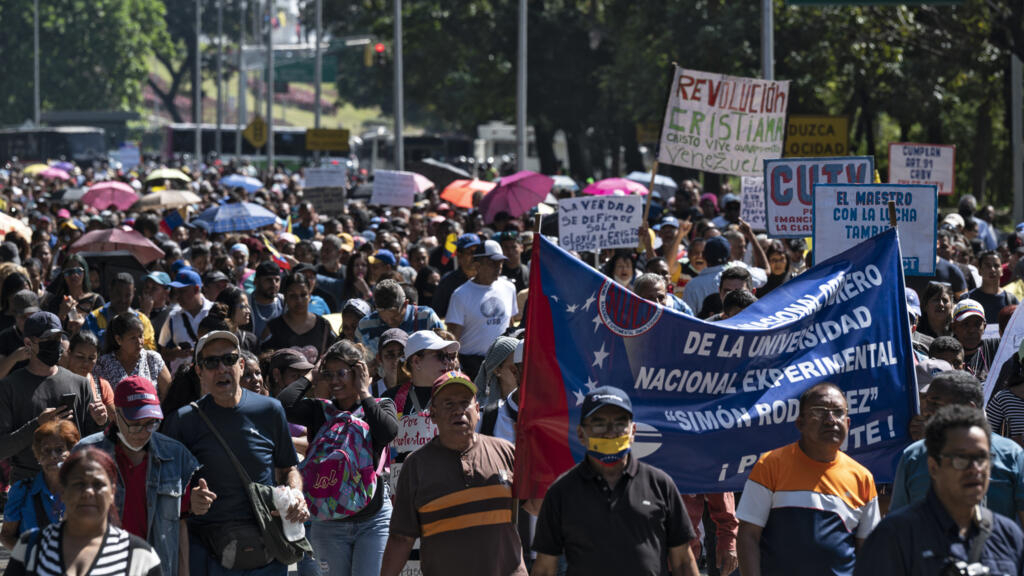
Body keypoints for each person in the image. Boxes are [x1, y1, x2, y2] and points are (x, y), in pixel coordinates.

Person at [162, 330, 310, 576]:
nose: (221, 368)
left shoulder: (270, 410)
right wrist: (189, 502)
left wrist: (295, 494)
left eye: (229, 360)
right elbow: (165, 488)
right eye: (211, 362)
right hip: (209, 553)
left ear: (241, 365)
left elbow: (288, 469)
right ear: (199, 371)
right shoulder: (182, 421)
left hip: (268, 547)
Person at [532, 386, 700, 576]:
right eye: (599, 423)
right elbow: (545, 568)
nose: (610, 432)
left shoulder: (660, 485)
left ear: (633, 431)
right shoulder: (561, 492)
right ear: (580, 433)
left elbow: (683, 562)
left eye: (620, 423)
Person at [380, 370, 526, 576]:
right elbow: (401, 538)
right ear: (433, 413)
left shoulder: (505, 451)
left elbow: (537, 506)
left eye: (465, 403)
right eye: (448, 404)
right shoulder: (416, 465)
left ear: (477, 409)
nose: (459, 410)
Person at [854, 406, 1024, 575]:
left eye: (982, 457)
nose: (975, 469)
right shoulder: (895, 536)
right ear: (933, 467)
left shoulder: (1008, 536)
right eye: (961, 458)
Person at [277, 340, 398, 576]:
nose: (334, 381)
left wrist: (364, 392)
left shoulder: (380, 406)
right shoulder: (319, 411)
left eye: (341, 373)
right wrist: (312, 375)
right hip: (328, 523)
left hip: (372, 521)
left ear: (359, 372)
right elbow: (283, 404)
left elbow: (388, 433)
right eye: (328, 374)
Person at [736, 382, 880, 576]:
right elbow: (748, 536)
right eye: (819, 411)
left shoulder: (862, 478)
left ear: (848, 423)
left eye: (838, 412)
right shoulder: (770, 465)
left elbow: (869, 553)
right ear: (800, 423)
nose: (830, 420)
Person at [75, 375, 201, 575]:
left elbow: (180, 525)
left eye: (151, 423)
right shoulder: (84, 454)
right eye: (135, 424)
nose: (143, 432)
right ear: (116, 415)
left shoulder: (175, 456)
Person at [4, 447, 163, 576]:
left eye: (98, 484)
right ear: (63, 491)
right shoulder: (31, 547)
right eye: (78, 484)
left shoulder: (140, 556)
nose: (88, 492)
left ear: (113, 492)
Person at [891, 370, 1024, 523]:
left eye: (935, 403)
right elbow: (899, 522)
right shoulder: (913, 456)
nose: (926, 411)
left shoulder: (1012, 455)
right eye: (926, 402)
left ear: (969, 408)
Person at [0, 311, 106, 484]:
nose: (55, 345)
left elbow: (91, 441)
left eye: (58, 339)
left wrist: (100, 422)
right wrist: (37, 424)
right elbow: (2, 448)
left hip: (70, 483)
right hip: (27, 484)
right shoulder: (9, 387)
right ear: (28, 343)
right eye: (47, 340)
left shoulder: (80, 384)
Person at [382, 330, 459, 489]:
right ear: (416, 361)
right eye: (439, 356)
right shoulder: (391, 398)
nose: (447, 362)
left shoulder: (457, 394)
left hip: (446, 485)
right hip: (403, 491)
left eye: (448, 356)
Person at [0, 420, 79, 549]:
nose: (53, 456)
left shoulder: (85, 490)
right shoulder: (22, 491)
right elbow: (6, 536)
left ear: (71, 452)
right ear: (38, 455)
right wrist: (30, 557)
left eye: (59, 450)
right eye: (47, 451)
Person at [446, 240, 518, 377]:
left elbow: (510, 324)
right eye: (493, 263)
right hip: (472, 365)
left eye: (500, 263)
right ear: (477, 265)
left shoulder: (509, 288)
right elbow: (453, 337)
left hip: (502, 362)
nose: (498, 267)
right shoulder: (460, 295)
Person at [355, 279, 443, 357]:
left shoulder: (427, 318)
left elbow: (444, 350)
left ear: (406, 304)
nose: (390, 322)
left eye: (395, 317)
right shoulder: (365, 326)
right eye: (384, 319)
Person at [93, 313, 172, 398]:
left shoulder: (153, 359)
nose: (139, 342)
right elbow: (99, 396)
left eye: (141, 336)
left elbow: (168, 395)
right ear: (118, 339)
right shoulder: (103, 364)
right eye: (133, 338)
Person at [262, 271, 336, 356]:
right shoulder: (273, 328)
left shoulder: (324, 326)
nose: (299, 300)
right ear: (285, 297)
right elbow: (264, 360)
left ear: (310, 296)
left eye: (303, 294)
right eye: (293, 295)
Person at [159, 269, 214, 375]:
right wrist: (175, 353)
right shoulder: (173, 317)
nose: (178, 296)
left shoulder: (214, 312)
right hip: (182, 383)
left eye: (183, 291)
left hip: (211, 379)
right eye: (176, 291)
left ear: (196, 289)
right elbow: (163, 353)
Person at [85, 272, 157, 351]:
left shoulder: (143, 320)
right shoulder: (94, 318)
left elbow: (150, 351)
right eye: (118, 294)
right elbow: (86, 347)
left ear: (134, 293)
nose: (123, 300)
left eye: (128, 295)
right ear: (110, 290)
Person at [64, 331, 114, 423]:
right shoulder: (59, 381)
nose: (86, 363)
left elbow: (115, 422)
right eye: (80, 357)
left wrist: (103, 419)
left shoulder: (102, 386)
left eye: (91, 358)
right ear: (69, 353)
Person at [431, 233, 480, 317]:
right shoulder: (447, 282)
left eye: (477, 252)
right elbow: (437, 314)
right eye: (470, 252)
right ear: (459, 255)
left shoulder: (486, 278)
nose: (474, 256)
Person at [951, 299, 1000, 381]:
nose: (972, 330)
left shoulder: (996, 347)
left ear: (984, 327)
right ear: (954, 327)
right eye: (965, 324)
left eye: (977, 324)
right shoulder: (945, 352)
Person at [968, 251, 1019, 323]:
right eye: (988, 266)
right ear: (979, 270)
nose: (992, 269)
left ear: (1001, 270)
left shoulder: (1011, 299)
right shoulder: (968, 299)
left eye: (996, 266)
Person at [215, 285, 259, 354]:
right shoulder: (212, 337)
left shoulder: (250, 339)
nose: (248, 311)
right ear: (229, 307)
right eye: (243, 307)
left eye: (248, 307)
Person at [250, 260, 284, 343]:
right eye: (268, 280)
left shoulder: (285, 303)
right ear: (256, 281)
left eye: (277, 280)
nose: (274, 284)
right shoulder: (247, 303)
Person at [372, 328, 407, 397]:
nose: (397, 360)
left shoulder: (418, 389)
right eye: (390, 355)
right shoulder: (370, 393)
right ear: (379, 358)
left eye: (402, 355)